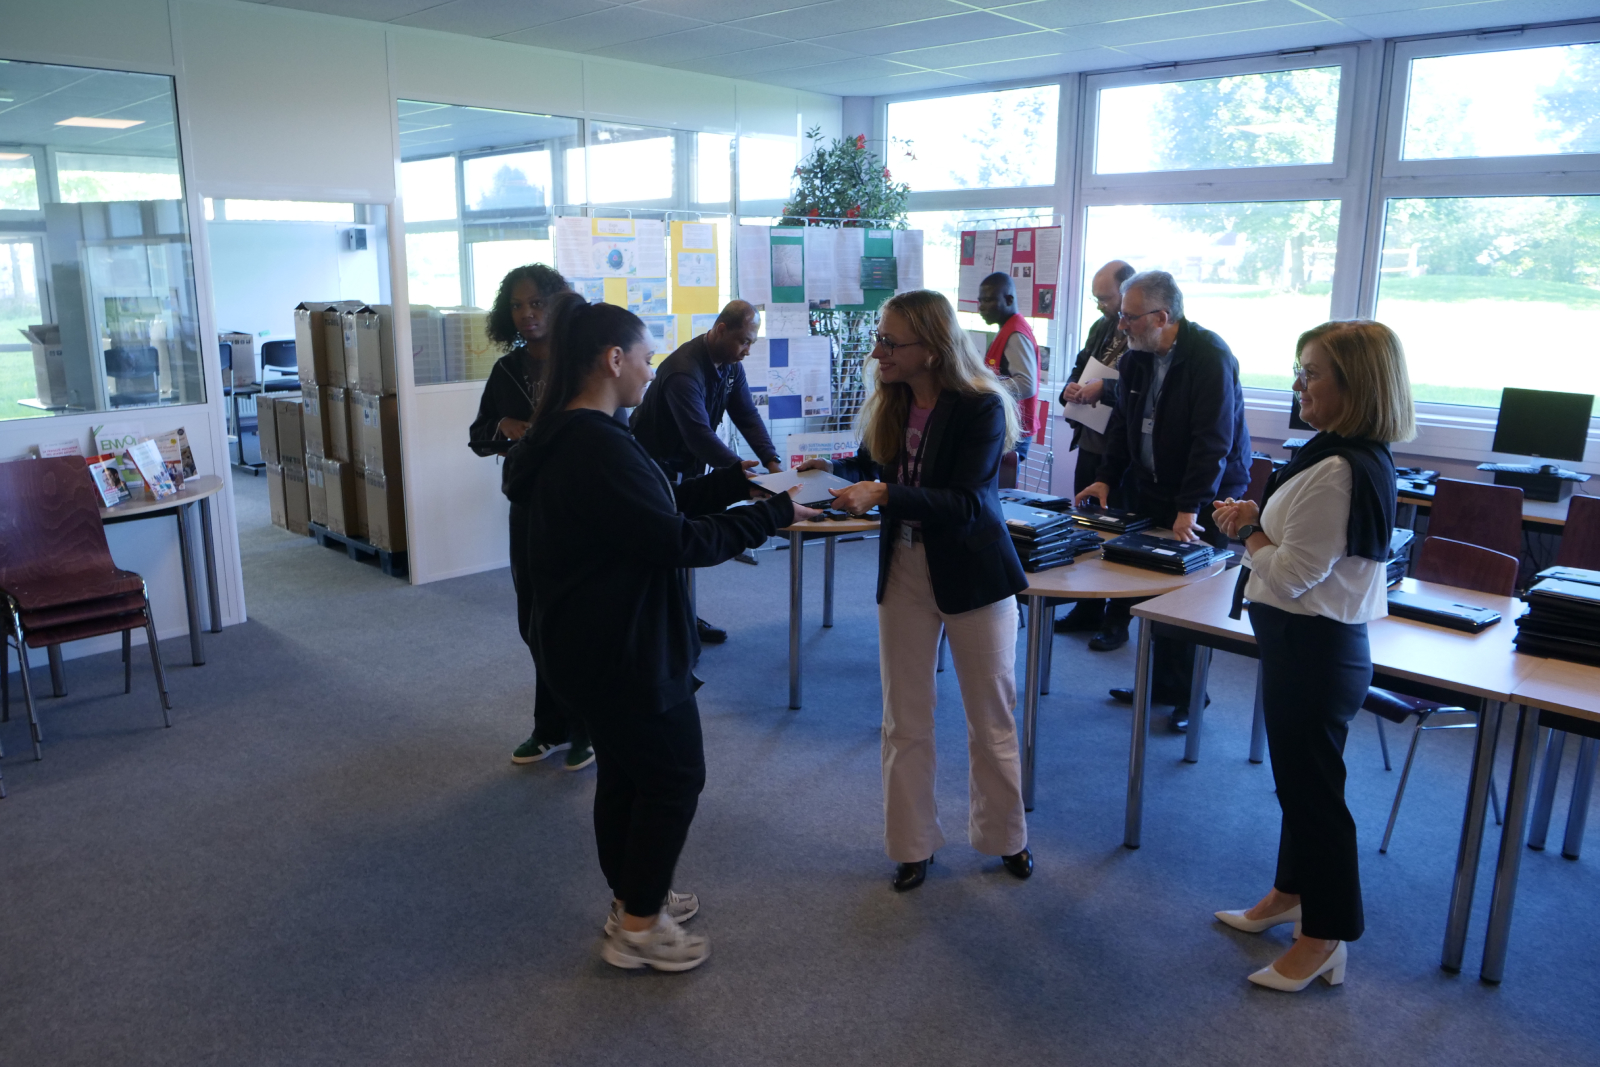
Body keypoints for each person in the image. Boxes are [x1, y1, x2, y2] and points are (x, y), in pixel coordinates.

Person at [504, 298, 817, 973]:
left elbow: (656, 506)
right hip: (622, 649)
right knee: (675, 775)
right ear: (614, 360)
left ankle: (632, 899)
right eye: (644, 358)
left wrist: (738, 482)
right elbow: (674, 540)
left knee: (628, 774)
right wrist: (773, 518)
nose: (650, 372)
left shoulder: (573, 434)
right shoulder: (596, 445)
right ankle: (640, 927)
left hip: (588, 643)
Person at [805, 290, 1034, 893]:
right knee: (903, 717)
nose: (877, 350)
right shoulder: (892, 399)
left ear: (931, 350)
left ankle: (1005, 837)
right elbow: (870, 466)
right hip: (904, 568)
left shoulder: (980, 406)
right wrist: (819, 472)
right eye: (881, 338)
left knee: (992, 717)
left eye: (890, 341)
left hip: (974, 572)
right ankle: (912, 845)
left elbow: (965, 503)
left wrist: (883, 495)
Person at [1210, 320, 1413, 992]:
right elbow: (1299, 540)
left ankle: (1326, 936)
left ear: (1355, 386)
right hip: (1306, 644)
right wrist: (1260, 517)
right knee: (1300, 787)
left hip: (1315, 648)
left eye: (1312, 371)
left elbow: (1291, 573)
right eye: (1300, 369)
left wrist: (1251, 533)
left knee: (1316, 798)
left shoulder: (1338, 468)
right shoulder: (1335, 451)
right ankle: (1288, 894)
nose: (1299, 382)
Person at [1074, 270, 1251, 732]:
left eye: (1129, 318)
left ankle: (1191, 697)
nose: (1121, 326)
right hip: (1153, 486)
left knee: (1189, 602)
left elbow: (1213, 441)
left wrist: (1190, 507)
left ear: (1162, 316)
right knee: (1150, 590)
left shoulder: (1210, 357)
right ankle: (1158, 684)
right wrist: (1105, 479)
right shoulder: (1136, 360)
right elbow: (1121, 428)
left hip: (1207, 496)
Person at [467, 264, 593, 771]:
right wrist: (506, 424)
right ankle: (550, 728)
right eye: (517, 306)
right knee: (535, 619)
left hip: (580, 509)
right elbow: (478, 435)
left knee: (576, 619)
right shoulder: (506, 371)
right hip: (528, 508)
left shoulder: (580, 362)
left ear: (555, 305)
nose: (526, 315)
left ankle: (586, 728)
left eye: (536, 303)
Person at [629, 300, 783, 645]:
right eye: (743, 341)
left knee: (682, 548)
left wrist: (773, 464)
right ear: (721, 329)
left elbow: (747, 416)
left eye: (752, 344)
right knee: (666, 548)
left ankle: (682, 619)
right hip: (656, 468)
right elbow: (698, 435)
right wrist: (739, 474)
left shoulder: (730, 366)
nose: (746, 351)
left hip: (688, 466)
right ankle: (667, 625)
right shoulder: (685, 370)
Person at [1054, 259, 1135, 642]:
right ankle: (1086, 606)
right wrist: (1068, 389)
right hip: (1090, 439)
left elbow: (1145, 392)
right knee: (1083, 524)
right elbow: (1079, 368)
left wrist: (1106, 389)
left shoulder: (1145, 330)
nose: (1102, 305)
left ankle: (1117, 621)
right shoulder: (1102, 326)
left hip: (1125, 451)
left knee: (1119, 530)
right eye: (1097, 298)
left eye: (1106, 297)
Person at [976, 272, 1041, 463]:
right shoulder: (1007, 328)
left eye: (988, 300)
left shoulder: (1015, 334)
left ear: (1009, 299)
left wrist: (984, 388)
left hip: (1014, 430)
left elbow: (1027, 384)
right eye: (980, 301)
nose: (981, 308)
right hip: (1008, 425)